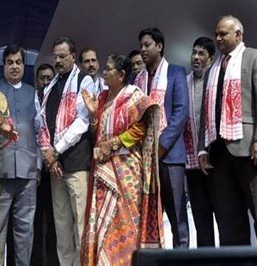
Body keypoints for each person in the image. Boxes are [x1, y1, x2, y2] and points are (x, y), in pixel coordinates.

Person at [80, 53, 163, 265]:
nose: (104, 72)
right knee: (103, 222)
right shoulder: (102, 99)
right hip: (103, 170)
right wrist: (92, 115)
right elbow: (97, 134)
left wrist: (114, 144)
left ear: (121, 74)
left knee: (126, 220)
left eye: (108, 69)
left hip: (127, 170)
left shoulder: (134, 96)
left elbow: (142, 128)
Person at [198, 15, 257, 245]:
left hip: (250, 150)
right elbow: (205, 113)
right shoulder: (212, 69)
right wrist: (202, 149)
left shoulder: (255, 57)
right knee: (229, 222)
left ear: (238, 35)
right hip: (219, 154)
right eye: (216, 34)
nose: (217, 38)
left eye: (223, 34)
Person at [0, 44, 40, 266]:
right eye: (10, 62)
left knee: (25, 231)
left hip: (27, 172)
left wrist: (39, 166)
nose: (14, 67)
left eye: (18, 62)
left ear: (24, 65)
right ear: (3, 65)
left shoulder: (32, 93)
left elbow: (39, 130)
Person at [40, 36, 94, 266]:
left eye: (63, 56)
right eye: (56, 56)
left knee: (80, 224)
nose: (59, 61)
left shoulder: (85, 80)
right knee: (61, 223)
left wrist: (56, 151)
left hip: (76, 163)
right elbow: (42, 123)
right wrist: (50, 156)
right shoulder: (50, 87)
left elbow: (82, 122)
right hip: (55, 166)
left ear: (74, 56)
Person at [134, 27, 189, 248]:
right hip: (143, 158)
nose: (143, 50)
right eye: (141, 46)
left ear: (160, 46)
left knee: (177, 216)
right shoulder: (138, 79)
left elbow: (180, 112)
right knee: (149, 215)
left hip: (169, 156)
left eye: (147, 45)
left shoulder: (175, 72)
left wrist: (161, 146)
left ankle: (182, 261)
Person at [183, 37, 217, 247]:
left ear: (211, 59)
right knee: (201, 220)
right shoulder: (183, 82)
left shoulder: (216, 81)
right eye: (194, 52)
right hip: (192, 163)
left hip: (216, 163)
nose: (195, 57)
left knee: (224, 218)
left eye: (201, 54)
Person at [31, 63, 59, 266]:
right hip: (35, 170)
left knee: (55, 221)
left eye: (50, 77)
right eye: (43, 78)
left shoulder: (58, 100)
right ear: (37, 81)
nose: (46, 81)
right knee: (35, 221)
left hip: (56, 167)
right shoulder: (32, 100)